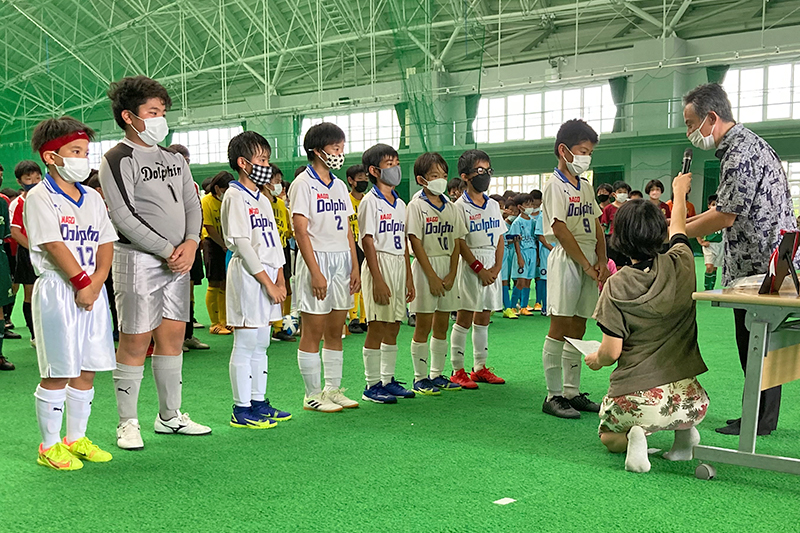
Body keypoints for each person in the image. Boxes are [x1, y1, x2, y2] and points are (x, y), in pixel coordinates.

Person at [99, 75, 211, 450]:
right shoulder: (116, 158)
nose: (161, 118)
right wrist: (168, 249)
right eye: (153, 111)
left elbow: (192, 203)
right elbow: (123, 216)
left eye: (162, 111)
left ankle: (170, 417)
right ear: (130, 116)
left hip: (180, 261)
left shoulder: (174, 157)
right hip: (138, 260)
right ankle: (127, 422)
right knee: (134, 339)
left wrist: (192, 243)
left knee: (173, 337)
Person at [682, 82, 795, 436]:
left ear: (711, 118)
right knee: (756, 342)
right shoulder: (747, 146)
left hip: (758, 267)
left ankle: (758, 420)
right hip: (759, 262)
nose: (688, 132)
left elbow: (725, 214)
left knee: (755, 343)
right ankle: (759, 415)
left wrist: (677, 229)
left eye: (690, 123)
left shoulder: (741, 152)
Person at [586, 172, 708, 472]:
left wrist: (595, 359)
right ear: (660, 233)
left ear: (619, 239)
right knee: (678, 410)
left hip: (640, 399)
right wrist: (679, 193)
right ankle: (684, 438)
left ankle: (634, 438)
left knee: (607, 435)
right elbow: (679, 224)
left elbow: (611, 352)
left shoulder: (616, 285)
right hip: (691, 398)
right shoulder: (682, 261)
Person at [28, 116, 118, 470]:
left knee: (88, 366)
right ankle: (49, 446)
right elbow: (52, 244)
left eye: (85, 151)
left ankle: (76, 437)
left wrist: (97, 281)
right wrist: (82, 282)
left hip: (92, 291)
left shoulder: (92, 197)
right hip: (59, 289)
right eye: (75, 151)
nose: (83, 158)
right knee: (58, 368)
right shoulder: (39, 197)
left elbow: (106, 241)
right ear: (51, 157)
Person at [289, 122, 361, 413]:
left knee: (336, 330)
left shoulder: (341, 185)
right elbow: (300, 231)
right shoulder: (302, 185)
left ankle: (333, 389)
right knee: (313, 331)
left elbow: (348, 230)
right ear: (317, 150)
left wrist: (355, 266)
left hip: (342, 260)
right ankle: (312, 394)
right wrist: (316, 271)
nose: (339, 153)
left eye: (342, 147)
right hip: (315, 261)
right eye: (335, 147)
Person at [223, 131, 292, 428]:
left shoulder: (263, 198)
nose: (267, 165)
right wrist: (267, 281)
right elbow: (242, 243)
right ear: (243, 163)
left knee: (262, 341)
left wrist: (281, 277)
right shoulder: (234, 195)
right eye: (261, 159)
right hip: (249, 276)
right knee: (246, 340)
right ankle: (241, 409)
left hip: (269, 275)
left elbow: (274, 242)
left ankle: (259, 400)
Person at [540, 119, 608, 419]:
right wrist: (585, 263)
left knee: (580, 326)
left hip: (590, 261)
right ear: (564, 150)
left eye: (590, 152)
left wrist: (602, 260)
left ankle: (572, 391)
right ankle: (553, 396)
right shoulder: (554, 185)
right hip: (568, 260)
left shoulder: (586, 186)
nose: (586, 157)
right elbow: (560, 230)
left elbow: (597, 224)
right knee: (560, 327)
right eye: (582, 150)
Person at [358, 144, 415, 403]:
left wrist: (408, 277)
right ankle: (371, 386)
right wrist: (378, 279)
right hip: (378, 263)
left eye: (396, 162)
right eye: (389, 164)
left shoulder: (401, 203)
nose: (395, 168)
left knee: (394, 325)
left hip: (398, 265)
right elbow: (368, 242)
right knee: (377, 325)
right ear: (374, 170)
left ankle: (387, 379)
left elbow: (403, 241)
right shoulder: (370, 202)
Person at [406, 152, 465, 395]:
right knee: (423, 325)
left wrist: (452, 273)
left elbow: (457, 242)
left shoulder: (451, 208)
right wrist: (430, 275)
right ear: (422, 180)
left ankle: (437, 374)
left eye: (443, 175)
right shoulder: (416, 206)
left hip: (447, 267)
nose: (440, 180)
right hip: (424, 267)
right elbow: (415, 241)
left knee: (442, 324)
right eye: (434, 176)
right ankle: (420, 378)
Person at [449, 150, 506, 389]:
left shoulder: (493, 204)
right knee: (464, 317)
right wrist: (479, 268)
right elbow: (460, 242)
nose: (485, 175)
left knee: (484, 316)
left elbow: (501, 236)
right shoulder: (459, 207)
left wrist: (496, 267)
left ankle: (480, 368)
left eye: (488, 170)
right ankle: (457, 369)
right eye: (479, 171)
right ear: (465, 176)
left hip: (492, 264)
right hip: (471, 265)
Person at [10, 160, 43, 346]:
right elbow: (15, 232)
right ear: (19, 181)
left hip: (47, 254)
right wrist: (34, 248)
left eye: (37, 177)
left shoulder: (47, 199)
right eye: (28, 178)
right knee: (30, 295)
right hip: (28, 254)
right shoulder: (18, 203)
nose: (34, 181)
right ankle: (34, 335)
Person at [265, 165, 296, 343]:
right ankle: (270, 324)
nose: (279, 185)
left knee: (285, 286)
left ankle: (281, 325)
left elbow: (287, 228)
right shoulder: (261, 202)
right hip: (266, 252)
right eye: (276, 181)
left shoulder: (281, 206)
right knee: (269, 288)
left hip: (281, 250)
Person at [202, 171, 234, 335]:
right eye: (224, 189)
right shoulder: (206, 201)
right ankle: (214, 323)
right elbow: (209, 227)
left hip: (227, 245)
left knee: (225, 283)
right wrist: (222, 244)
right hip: (213, 244)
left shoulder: (228, 201)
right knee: (214, 282)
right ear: (216, 188)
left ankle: (225, 320)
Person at [345, 164, 369, 334]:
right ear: (351, 181)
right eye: (360, 179)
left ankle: (364, 318)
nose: (364, 181)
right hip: (350, 245)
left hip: (366, 245)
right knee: (354, 280)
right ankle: (353, 317)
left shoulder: (368, 201)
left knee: (366, 280)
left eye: (365, 178)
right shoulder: (346, 200)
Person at [508, 193, 537, 316]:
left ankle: (524, 307)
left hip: (532, 251)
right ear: (520, 207)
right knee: (520, 281)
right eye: (527, 204)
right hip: (522, 252)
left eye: (531, 203)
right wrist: (519, 257)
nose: (530, 206)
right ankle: (513, 306)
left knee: (528, 281)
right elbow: (514, 241)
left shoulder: (533, 221)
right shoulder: (517, 223)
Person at [600, 180, 632, 268]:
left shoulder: (631, 207)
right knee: (614, 265)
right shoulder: (608, 209)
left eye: (625, 192)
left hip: (628, 239)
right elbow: (603, 226)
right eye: (620, 192)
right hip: (612, 239)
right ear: (614, 194)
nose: (622, 194)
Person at [696, 195, 723, 291]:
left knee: (715, 268)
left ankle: (712, 288)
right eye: (713, 204)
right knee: (709, 267)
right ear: (709, 206)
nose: (715, 207)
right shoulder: (705, 217)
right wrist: (700, 241)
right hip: (709, 245)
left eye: (717, 204)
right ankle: (707, 288)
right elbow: (697, 228)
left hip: (720, 245)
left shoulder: (723, 217)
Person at [534, 207, 555, 317]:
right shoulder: (542, 216)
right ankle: (545, 307)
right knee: (545, 280)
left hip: (559, 250)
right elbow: (540, 236)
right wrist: (552, 248)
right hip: (547, 252)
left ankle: (554, 307)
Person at [501, 197, 519, 319]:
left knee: (504, 281)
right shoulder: (499, 223)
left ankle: (507, 307)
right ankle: (505, 307)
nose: (512, 213)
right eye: (509, 210)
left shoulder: (509, 225)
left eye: (514, 212)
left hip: (505, 254)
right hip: (496, 255)